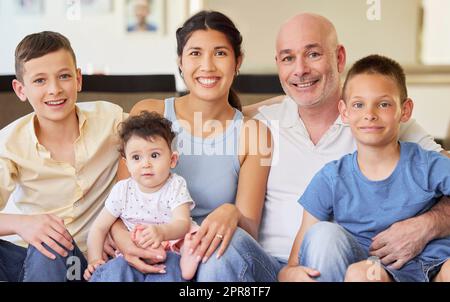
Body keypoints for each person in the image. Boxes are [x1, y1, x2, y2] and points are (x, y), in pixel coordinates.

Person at [243, 13, 450, 280]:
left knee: (327, 239)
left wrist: (429, 224)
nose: (300, 69)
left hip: (365, 261)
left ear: (339, 58)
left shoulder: (389, 128)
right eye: (288, 58)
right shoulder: (263, 124)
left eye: (313, 54)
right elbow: (211, 114)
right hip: (277, 264)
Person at [90, 10, 277, 282]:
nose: (208, 66)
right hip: (145, 249)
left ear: (238, 62)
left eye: (220, 53)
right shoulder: (149, 113)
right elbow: (122, 201)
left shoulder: (253, 134)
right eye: (195, 53)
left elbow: (248, 234)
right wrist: (126, 244)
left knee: (222, 251)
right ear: (180, 61)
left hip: (212, 257)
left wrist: (230, 211)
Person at [279, 54, 450, 282]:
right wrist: (290, 274)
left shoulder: (427, 164)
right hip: (373, 270)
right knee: (358, 269)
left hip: (434, 266)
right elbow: (293, 264)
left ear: (405, 110)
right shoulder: (331, 178)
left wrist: (431, 225)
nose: (370, 114)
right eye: (359, 105)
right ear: (345, 111)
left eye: (384, 104)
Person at [0, 31, 127, 281]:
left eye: (64, 76)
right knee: (43, 236)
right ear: (20, 89)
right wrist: (23, 224)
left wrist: (117, 222)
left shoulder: (111, 121)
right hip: (22, 256)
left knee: (49, 241)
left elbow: (152, 133)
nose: (55, 89)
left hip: (77, 262)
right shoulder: (9, 143)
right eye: (39, 81)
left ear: (78, 79)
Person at [84, 112, 200, 281]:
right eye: (136, 157)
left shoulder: (175, 185)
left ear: (172, 160)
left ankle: (188, 261)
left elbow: (182, 223)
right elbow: (99, 228)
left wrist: (161, 232)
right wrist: (94, 259)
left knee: (171, 268)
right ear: (127, 163)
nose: (146, 164)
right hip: (132, 251)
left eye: (154, 155)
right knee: (114, 271)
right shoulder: (122, 190)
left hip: (169, 247)